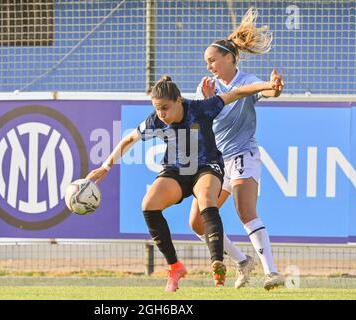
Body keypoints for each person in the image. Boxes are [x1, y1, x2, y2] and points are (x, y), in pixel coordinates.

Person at [87, 73, 282, 292]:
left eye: (165, 108)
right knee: (149, 205)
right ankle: (175, 266)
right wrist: (106, 166)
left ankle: (217, 261)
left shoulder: (201, 108)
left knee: (207, 197)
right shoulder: (155, 120)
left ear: (179, 100)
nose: (161, 114)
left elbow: (237, 93)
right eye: (157, 108)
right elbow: (129, 139)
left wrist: (268, 85)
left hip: (207, 166)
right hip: (176, 170)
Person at [189, 8, 285, 290]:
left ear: (229, 58)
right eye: (207, 62)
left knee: (245, 210)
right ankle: (242, 261)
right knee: (196, 222)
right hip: (216, 163)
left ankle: (272, 273)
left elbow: (263, 90)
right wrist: (207, 103)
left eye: (212, 60)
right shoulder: (206, 86)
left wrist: (274, 87)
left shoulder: (246, 80)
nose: (209, 66)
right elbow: (200, 122)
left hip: (243, 153)